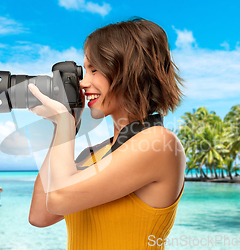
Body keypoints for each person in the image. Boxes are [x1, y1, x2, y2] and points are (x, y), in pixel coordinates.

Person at [28, 18, 186, 249]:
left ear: (130, 71)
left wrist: (64, 123)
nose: (83, 83)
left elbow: (59, 197)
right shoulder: (93, 153)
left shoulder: (158, 143)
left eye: (94, 70)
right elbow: (40, 215)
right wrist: (63, 126)